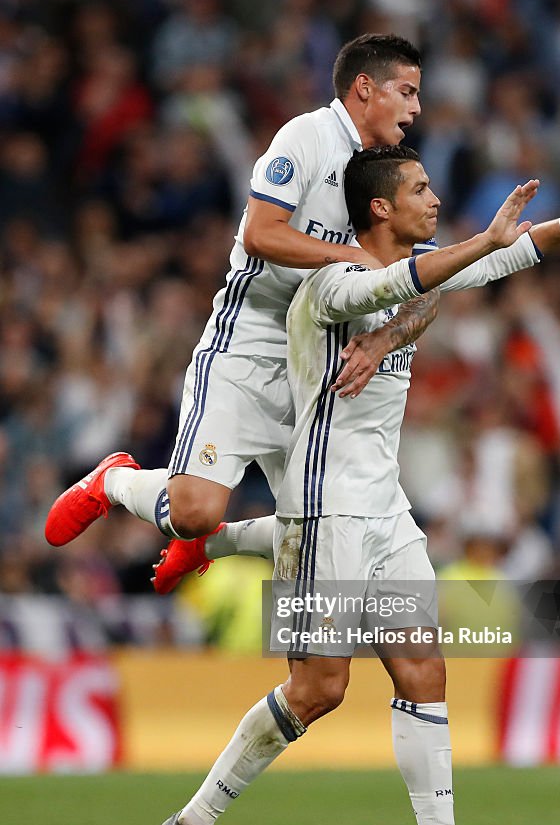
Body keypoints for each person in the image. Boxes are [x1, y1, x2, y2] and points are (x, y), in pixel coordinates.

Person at [150, 145, 560, 825]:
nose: (435, 199)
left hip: (385, 511)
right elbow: (402, 281)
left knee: (424, 667)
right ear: (378, 208)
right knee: (319, 690)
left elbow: (486, 266)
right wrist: (476, 248)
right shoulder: (328, 281)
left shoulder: (420, 266)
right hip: (321, 510)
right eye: (420, 190)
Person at [45, 34, 439, 554]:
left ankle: (215, 550)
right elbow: (260, 234)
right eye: (407, 91)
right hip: (249, 346)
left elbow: (429, 278)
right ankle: (113, 480)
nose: (416, 107)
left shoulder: (393, 171)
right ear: (365, 88)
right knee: (192, 511)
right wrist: (348, 256)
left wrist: (387, 338)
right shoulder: (306, 138)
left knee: (328, 526)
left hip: (318, 368)